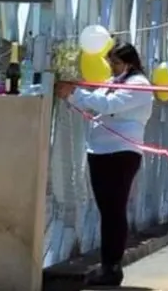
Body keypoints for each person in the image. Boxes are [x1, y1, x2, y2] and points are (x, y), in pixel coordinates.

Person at [55, 42, 153, 288]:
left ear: (129, 63)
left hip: (121, 151)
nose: (112, 66)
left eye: (116, 62)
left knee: (114, 209)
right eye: (110, 62)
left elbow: (110, 105)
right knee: (106, 210)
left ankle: (113, 266)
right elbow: (95, 101)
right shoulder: (113, 81)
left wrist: (75, 93)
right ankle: (107, 264)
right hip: (100, 149)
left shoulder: (139, 85)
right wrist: (73, 94)